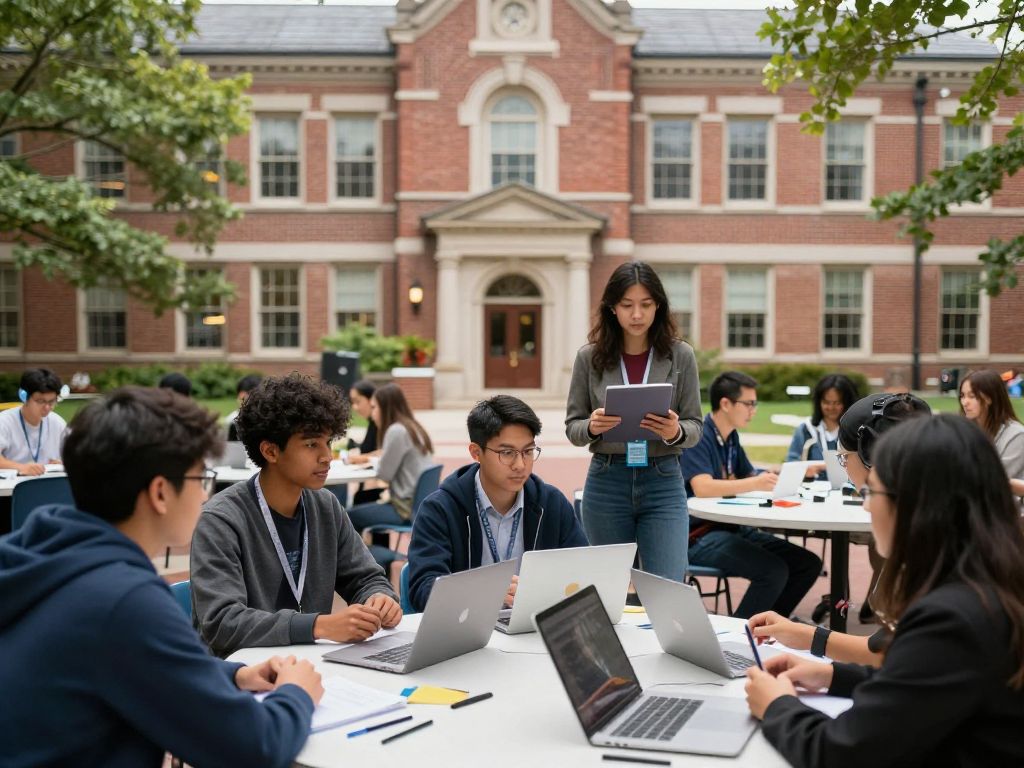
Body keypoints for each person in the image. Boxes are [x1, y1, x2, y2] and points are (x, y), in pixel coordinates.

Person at [0, 386, 322, 767]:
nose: (205, 496)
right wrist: (296, 693)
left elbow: (127, 659)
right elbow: (254, 747)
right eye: (200, 477)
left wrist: (234, 676)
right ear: (159, 492)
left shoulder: (45, 552)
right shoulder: (123, 601)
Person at [745, 415, 1024, 767]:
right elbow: (922, 682)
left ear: (915, 504)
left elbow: (841, 754)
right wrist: (831, 675)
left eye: (871, 491)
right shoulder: (990, 580)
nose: (865, 505)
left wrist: (776, 705)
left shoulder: (953, 616)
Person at [190, 373, 400, 658]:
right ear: (270, 451)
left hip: (309, 665)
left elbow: (365, 578)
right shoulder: (222, 519)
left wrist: (379, 598)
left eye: (329, 442)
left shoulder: (324, 506)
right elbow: (223, 624)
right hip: (240, 676)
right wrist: (317, 626)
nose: (327, 456)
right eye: (312, 444)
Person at [749, 391, 931, 665]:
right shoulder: (938, 531)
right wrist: (812, 648)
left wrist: (781, 705)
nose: (866, 506)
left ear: (871, 455)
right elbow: (889, 650)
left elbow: (906, 673)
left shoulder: (930, 558)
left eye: (844, 458)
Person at [565, 261, 703, 582]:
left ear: (659, 306)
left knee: (666, 587)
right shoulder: (590, 357)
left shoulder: (680, 356)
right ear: (612, 308)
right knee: (607, 589)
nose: (637, 314)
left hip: (663, 480)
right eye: (627, 305)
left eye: (646, 305)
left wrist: (675, 431)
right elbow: (573, 427)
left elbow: (696, 426)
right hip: (606, 479)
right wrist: (591, 427)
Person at [407, 395, 589, 612]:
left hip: (533, 630)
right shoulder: (440, 509)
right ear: (476, 453)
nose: (520, 465)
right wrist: (485, 592)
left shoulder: (551, 504)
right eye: (507, 453)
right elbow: (422, 589)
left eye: (528, 451)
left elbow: (582, 575)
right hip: (467, 633)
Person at [683, 371, 822, 619]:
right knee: (773, 571)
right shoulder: (700, 435)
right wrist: (751, 482)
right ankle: (740, 635)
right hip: (698, 535)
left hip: (731, 528)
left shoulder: (731, 436)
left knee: (807, 564)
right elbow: (703, 487)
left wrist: (793, 471)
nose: (754, 410)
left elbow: (749, 474)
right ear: (726, 404)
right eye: (749, 404)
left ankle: (772, 626)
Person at [347, 382, 434, 534]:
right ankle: (376, 552)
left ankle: (366, 556)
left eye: (374, 408)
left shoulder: (396, 431)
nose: (372, 413)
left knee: (347, 517)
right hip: (417, 503)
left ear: (386, 408)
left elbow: (384, 474)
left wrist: (374, 460)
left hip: (404, 507)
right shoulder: (413, 426)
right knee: (362, 497)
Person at [785, 373, 860, 478]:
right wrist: (804, 471)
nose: (831, 407)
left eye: (837, 403)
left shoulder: (856, 431)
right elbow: (790, 464)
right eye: (826, 402)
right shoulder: (805, 430)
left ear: (847, 403)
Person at [959, 369, 1024, 486]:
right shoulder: (965, 430)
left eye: (972, 396)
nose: (964, 402)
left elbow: (995, 480)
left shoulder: (1017, 435)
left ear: (990, 398)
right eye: (962, 396)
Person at [0, 368, 68, 475]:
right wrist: (21, 467)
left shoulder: (57, 423)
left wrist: (63, 464)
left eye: (51, 401)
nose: (47, 407)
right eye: (40, 401)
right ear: (24, 396)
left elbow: (76, 456)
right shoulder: (4, 422)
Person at [346, 379, 383, 505]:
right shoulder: (372, 424)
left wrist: (359, 458)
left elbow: (383, 454)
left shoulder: (382, 426)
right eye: (352, 402)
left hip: (395, 500)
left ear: (371, 399)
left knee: (356, 503)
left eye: (357, 401)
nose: (354, 407)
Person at [226, 373, 262, 441]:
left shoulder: (270, 423)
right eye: (241, 399)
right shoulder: (232, 422)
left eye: (245, 399)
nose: (242, 404)